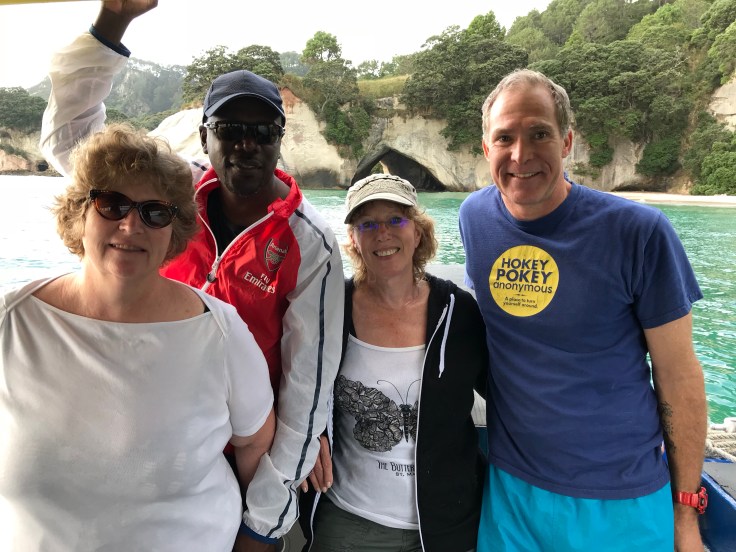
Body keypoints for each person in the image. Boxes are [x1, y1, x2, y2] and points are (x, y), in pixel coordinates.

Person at [39, 2, 344, 550]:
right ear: (204, 136)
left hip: (242, 458)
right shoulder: (164, 199)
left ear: (280, 139)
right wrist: (113, 22)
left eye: (262, 130)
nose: (246, 143)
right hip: (141, 446)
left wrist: (262, 526)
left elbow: (307, 390)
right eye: (229, 129)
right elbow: (70, 140)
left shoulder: (309, 244)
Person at [458, 68, 708, 551]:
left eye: (539, 134)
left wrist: (685, 513)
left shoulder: (639, 233)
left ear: (567, 142)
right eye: (504, 138)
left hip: (621, 500)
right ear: (486, 149)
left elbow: (678, 375)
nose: (520, 155)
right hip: (512, 495)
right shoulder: (475, 218)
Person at [0, 123, 276, 551]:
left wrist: (257, 534)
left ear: (174, 230)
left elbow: (255, 439)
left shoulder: (218, 332)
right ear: (79, 213)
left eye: (155, 212)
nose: (131, 226)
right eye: (112, 204)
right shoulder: (13, 322)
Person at [299, 174, 489, 552]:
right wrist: (312, 432)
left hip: (447, 524)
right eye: (367, 224)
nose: (382, 233)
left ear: (417, 233)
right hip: (351, 517)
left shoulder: (457, 311)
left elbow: (504, 392)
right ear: (353, 239)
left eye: (395, 220)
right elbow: (300, 383)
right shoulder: (332, 306)